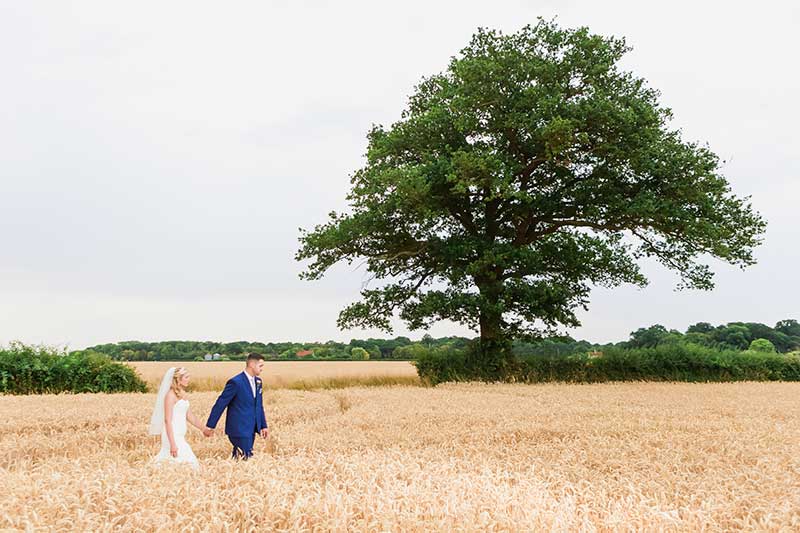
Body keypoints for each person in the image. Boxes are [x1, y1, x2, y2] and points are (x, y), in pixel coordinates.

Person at [204, 353, 269, 460]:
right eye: (260, 366)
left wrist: (263, 425)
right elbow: (220, 403)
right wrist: (210, 426)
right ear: (252, 364)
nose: (262, 369)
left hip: (251, 428)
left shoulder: (258, 382)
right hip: (239, 428)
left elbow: (259, 405)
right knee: (246, 457)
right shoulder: (236, 382)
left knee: (240, 459)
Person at [149, 367, 206, 468]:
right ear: (178, 380)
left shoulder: (182, 394)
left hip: (180, 434)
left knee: (181, 464)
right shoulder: (170, 396)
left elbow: (190, 416)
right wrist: (173, 444)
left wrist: (203, 429)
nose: (189, 379)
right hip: (172, 435)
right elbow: (167, 420)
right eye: (186, 377)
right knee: (185, 462)